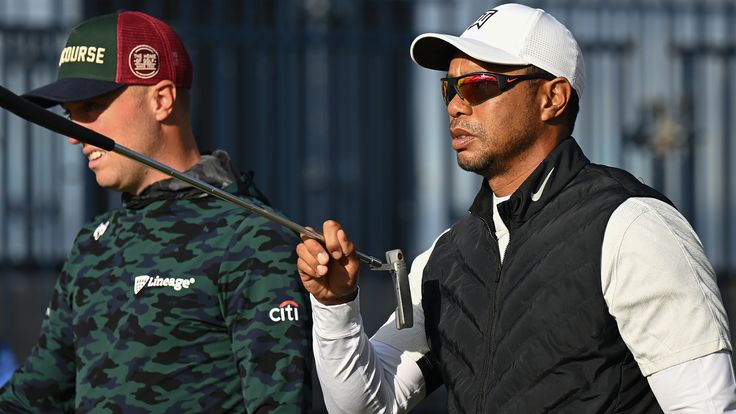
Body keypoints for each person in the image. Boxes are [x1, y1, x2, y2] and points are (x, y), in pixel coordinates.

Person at [296, 3, 736, 413]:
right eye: (449, 87)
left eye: (479, 85)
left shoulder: (632, 226)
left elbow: (706, 405)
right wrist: (337, 305)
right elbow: (368, 405)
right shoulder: (448, 255)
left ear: (552, 98)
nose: (454, 105)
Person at [0, 11, 311, 413]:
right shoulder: (93, 243)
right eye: (70, 115)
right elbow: (35, 396)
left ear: (162, 99)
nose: (75, 135)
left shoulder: (253, 238)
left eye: (92, 106)